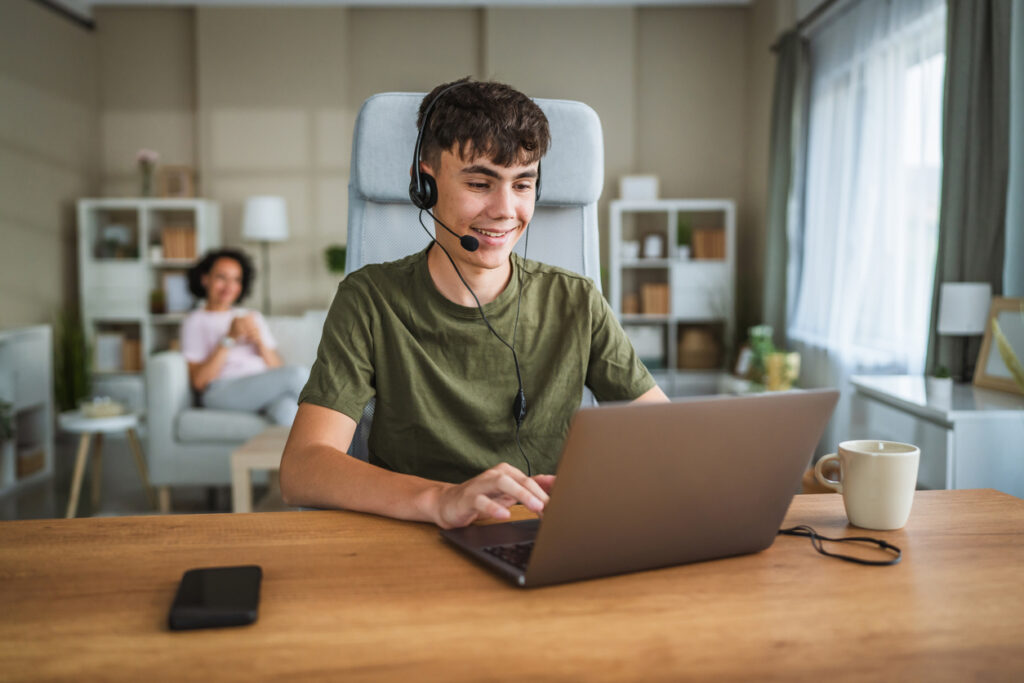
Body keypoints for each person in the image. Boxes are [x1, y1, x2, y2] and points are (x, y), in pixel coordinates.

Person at [280, 78, 668, 528]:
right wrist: (443, 500)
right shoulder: (370, 300)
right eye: (481, 183)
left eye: (522, 185)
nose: (505, 210)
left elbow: (667, 436)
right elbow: (303, 467)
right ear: (425, 183)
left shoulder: (576, 300)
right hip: (414, 540)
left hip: (544, 539)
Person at [181, 248, 307, 425]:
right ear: (205, 279)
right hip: (222, 391)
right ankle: (351, 422)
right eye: (221, 277)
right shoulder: (196, 320)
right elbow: (199, 382)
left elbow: (278, 368)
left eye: (236, 279)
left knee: (287, 410)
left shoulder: (251, 316)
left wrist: (260, 343)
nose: (229, 286)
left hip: (260, 389)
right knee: (297, 374)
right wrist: (229, 337)